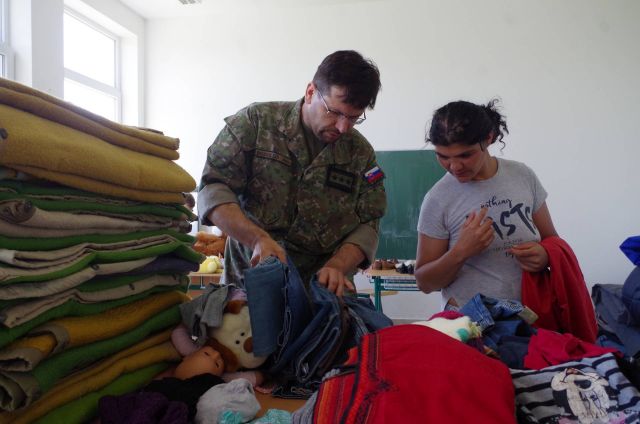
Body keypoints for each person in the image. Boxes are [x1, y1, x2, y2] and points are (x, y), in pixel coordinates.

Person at [197, 50, 386, 296]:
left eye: (353, 118)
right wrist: (257, 239)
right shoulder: (256, 124)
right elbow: (213, 188)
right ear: (311, 92)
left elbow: (370, 221)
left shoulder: (360, 153)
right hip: (251, 284)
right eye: (335, 112)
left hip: (321, 293)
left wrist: (339, 265)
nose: (343, 127)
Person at [415, 99, 558, 309]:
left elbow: (552, 240)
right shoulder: (437, 199)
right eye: (443, 157)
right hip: (472, 319)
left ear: (488, 139)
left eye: (465, 155)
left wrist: (545, 256)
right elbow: (425, 283)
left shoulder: (522, 175)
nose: (454, 166)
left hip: (531, 313)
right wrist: (459, 252)